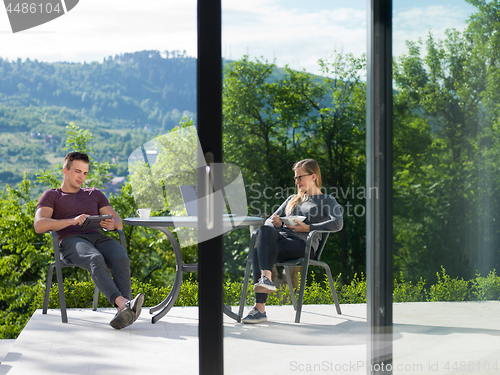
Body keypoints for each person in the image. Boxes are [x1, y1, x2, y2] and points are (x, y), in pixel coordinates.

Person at [34, 152, 144, 330]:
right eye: (78, 171)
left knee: (121, 257)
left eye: (85, 173)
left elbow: (118, 222)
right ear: (65, 170)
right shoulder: (52, 196)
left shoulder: (94, 194)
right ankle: (122, 304)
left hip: (97, 237)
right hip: (71, 240)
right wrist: (72, 220)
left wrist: (110, 223)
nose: (81, 177)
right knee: (94, 258)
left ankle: (124, 311)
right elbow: (39, 225)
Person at [242, 158, 343, 324]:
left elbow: (338, 223)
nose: (297, 182)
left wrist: (308, 228)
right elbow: (269, 221)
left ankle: (259, 308)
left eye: (300, 177)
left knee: (257, 253)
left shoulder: (327, 200)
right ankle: (266, 279)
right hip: (283, 240)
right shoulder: (292, 199)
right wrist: (279, 223)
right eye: (295, 178)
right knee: (265, 230)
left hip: (304, 245)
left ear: (313, 176)